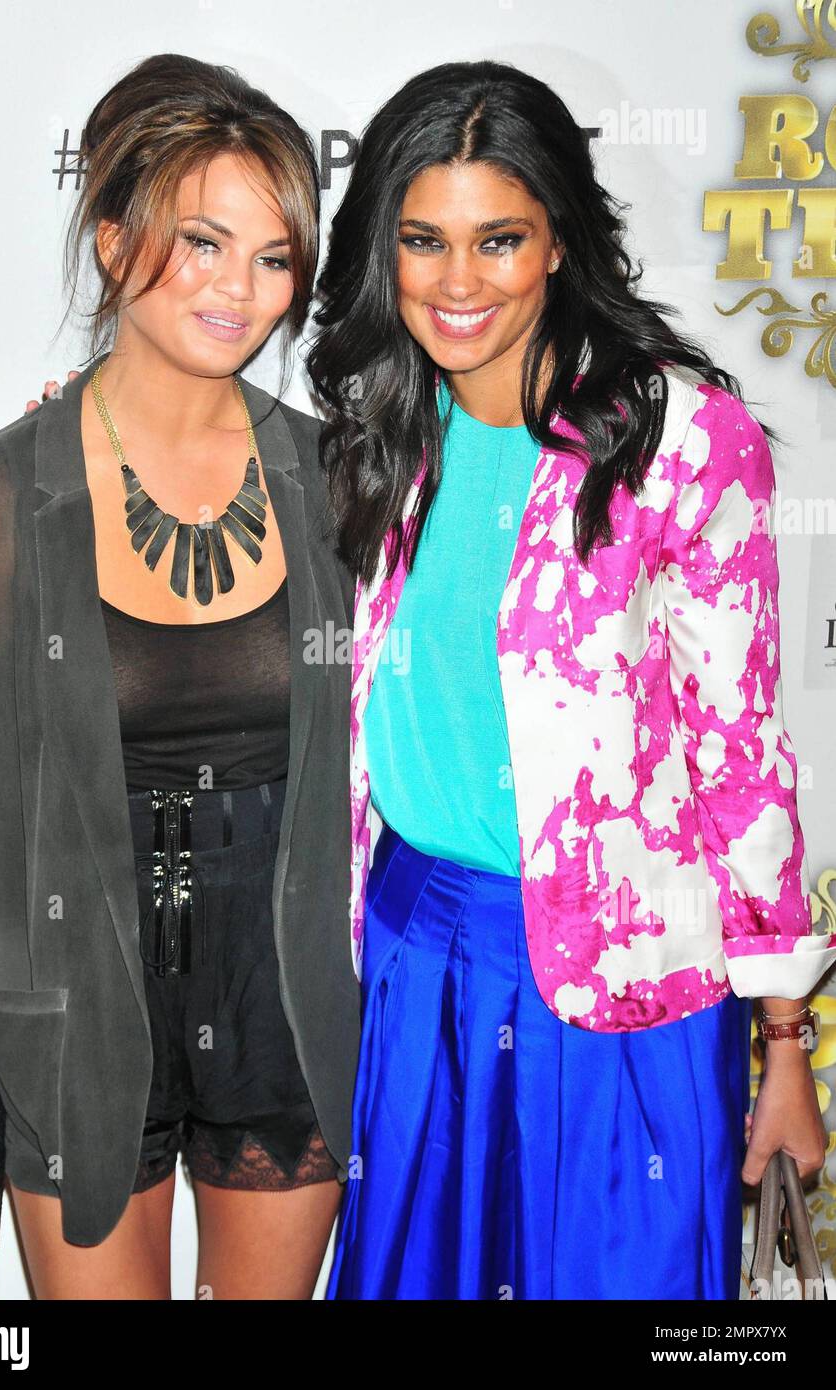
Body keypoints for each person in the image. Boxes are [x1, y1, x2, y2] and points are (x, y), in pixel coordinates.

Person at [306, 59, 836, 1300]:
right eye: (422, 240)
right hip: (413, 960)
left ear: (558, 242)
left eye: (499, 239)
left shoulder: (682, 440)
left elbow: (738, 752)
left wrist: (784, 1039)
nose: (457, 281)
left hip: (621, 986)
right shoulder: (382, 432)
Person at [0, 53, 359, 1301]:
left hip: (289, 1001)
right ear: (112, 237)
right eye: (202, 242)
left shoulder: (339, 481)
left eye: (271, 257)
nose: (239, 290)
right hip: (72, 1000)